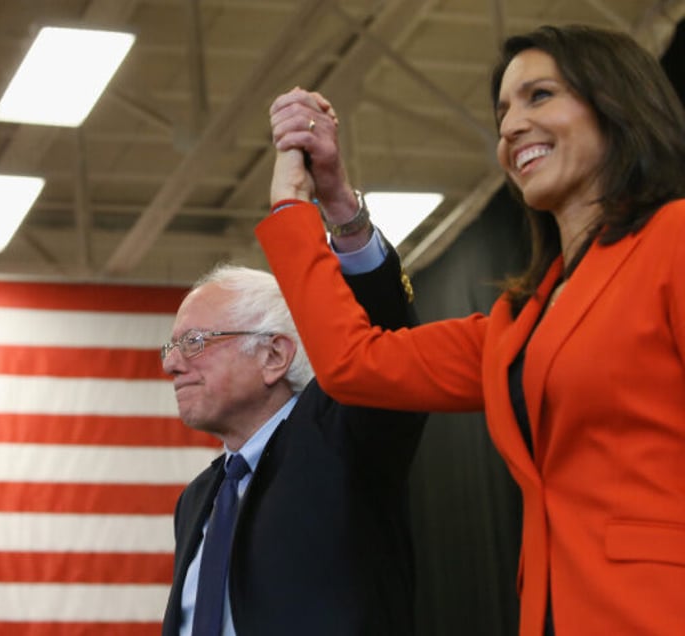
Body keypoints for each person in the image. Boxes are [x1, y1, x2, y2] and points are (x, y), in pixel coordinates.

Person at [258, 24, 685, 636]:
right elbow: (354, 363)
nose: (510, 126)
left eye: (540, 96)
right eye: (503, 109)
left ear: (619, 106)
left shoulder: (674, 238)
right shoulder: (519, 322)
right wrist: (304, 205)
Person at [160, 237, 426, 630]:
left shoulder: (340, 440)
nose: (171, 363)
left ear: (274, 356)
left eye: (194, 342)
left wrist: (350, 227)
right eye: (171, 346)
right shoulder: (197, 499)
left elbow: (388, 352)